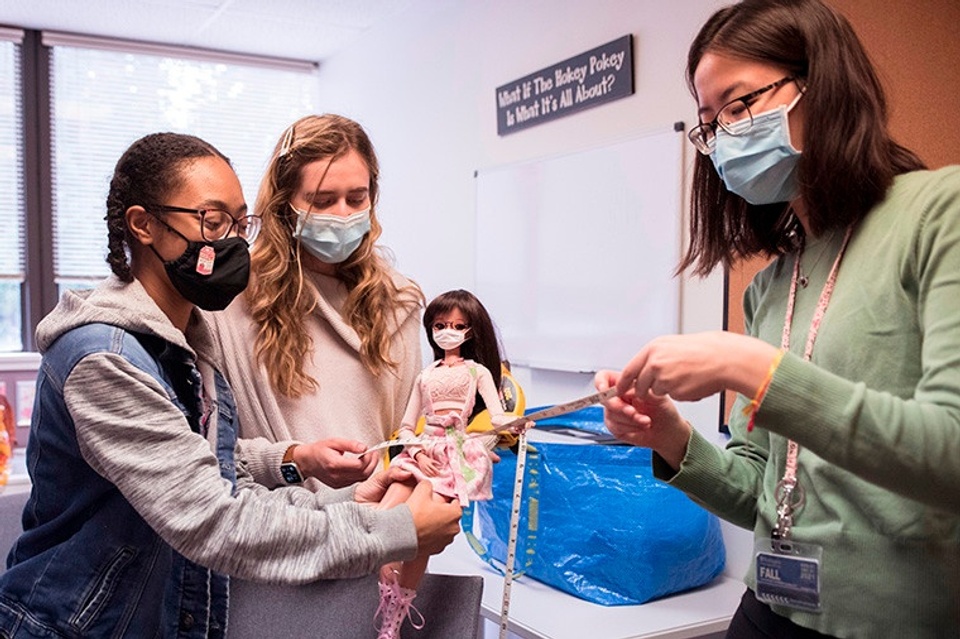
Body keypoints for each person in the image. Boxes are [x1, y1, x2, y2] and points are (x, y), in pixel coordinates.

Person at [0, 132, 461, 638]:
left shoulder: (183, 345)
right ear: (144, 224)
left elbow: (210, 473)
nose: (233, 242)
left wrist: (341, 493)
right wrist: (398, 530)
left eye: (240, 223)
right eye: (213, 220)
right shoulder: (106, 360)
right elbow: (216, 521)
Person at [595, 1, 960, 638]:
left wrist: (752, 367)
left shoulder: (938, 213)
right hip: (769, 608)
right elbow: (764, 493)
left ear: (822, 85)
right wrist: (671, 438)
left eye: (738, 106)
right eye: (710, 124)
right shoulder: (771, 286)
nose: (723, 139)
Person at [208, 114, 425, 491]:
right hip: (274, 528)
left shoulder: (397, 301)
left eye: (356, 198)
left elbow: (407, 442)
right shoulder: (233, 298)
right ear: (283, 203)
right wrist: (298, 459)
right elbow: (209, 447)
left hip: (378, 529)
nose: (343, 214)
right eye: (322, 201)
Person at [374, 289, 509, 639]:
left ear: (470, 331)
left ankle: (395, 620)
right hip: (422, 450)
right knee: (384, 516)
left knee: (420, 536)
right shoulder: (425, 376)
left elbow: (496, 416)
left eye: (457, 325)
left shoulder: (477, 372)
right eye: (440, 325)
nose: (448, 331)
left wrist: (512, 424)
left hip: (454, 454)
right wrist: (417, 451)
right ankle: (384, 594)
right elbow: (406, 426)